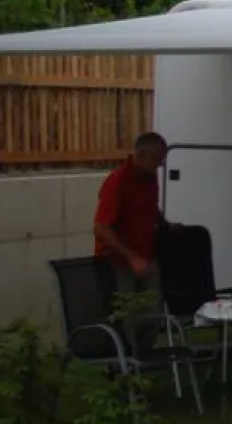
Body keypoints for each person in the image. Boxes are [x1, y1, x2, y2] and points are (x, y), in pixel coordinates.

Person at [92, 131, 173, 349]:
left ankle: (142, 357)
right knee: (125, 318)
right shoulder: (117, 182)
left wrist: (164, 223)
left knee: (153, 313)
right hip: (118, 260)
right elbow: (101, 228)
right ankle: (124, 365)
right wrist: (131, 257)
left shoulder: (149, 178)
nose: (160, 164)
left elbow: (149, 206)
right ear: (140, 154)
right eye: (157, 159)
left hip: (146, 255)